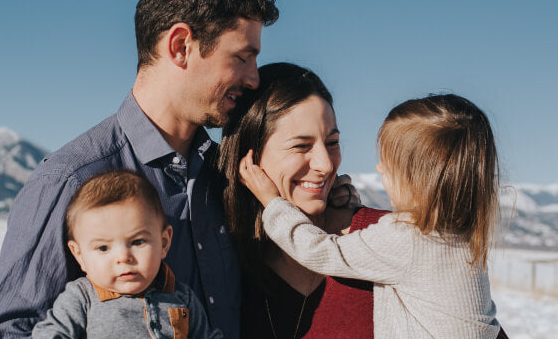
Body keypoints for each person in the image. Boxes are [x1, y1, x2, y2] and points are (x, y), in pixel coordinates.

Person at [0, 0, 279, 338]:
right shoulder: (70, 180)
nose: (254, 78)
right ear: (181, 46)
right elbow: (5, 331)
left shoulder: (227, 174)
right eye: (242, 57)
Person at [239, 94, 505, 338]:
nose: (378, 168)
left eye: (389, 164)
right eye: (301, 145)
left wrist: (273, 203)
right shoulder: (463, 240)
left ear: (417, 178)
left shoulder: (406, 238)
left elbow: (318, 250)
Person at [217, 62, 390, 338]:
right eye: (301, 146)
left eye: (332, 143)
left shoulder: (385, 238)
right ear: (251, 157)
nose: (325, 165)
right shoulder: (223, 256)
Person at [32, 171, 222, 339]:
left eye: (138, 242)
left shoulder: (181, 296)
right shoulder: (82, 298)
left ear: (164, 243)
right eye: (103, 248)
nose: (123, 258)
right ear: (79, 255)